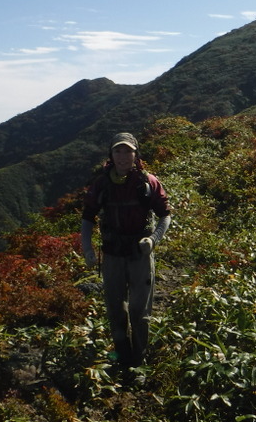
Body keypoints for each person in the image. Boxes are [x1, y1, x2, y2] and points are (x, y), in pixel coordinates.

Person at [80, 132, 172, 372]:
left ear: (136, 154)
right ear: (111, 155)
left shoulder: (147, 182)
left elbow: (165, 215)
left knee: (139, 311)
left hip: (139, 254)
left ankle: (139, 362)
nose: (123, 156)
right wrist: (87, 248)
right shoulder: (101, 184)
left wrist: (153, 240)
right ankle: (122, 356)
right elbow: (88, 217)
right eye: (118, 151)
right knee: (115, 308)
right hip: (112, 254)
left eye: (128, 151)